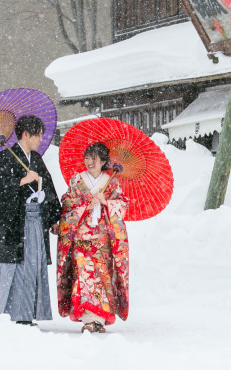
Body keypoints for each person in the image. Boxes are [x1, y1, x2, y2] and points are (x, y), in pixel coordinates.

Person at [0, 115, 61, 326]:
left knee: (34, 265)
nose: (40, 139)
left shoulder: (35, 159)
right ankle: (13, 315)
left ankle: (28, 313)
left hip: (36, 221)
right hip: (16, 223)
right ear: (26, 134)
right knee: (18, 267)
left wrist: (54, 217)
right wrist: (20, 181)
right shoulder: (6, 158)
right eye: (38, 135)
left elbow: (49, 188)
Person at [56, 142, 130, 333]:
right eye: (87, 157)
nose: (89, 161)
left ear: (104, 161)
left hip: (103, 237)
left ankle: (100, 320)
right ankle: (88, 319)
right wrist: (84, 205)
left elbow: (121, 206)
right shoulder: (77, 180)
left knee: (103, 278)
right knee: (84, 277)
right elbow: (67, 202)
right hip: (81, 236)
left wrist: (106, 201)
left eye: (94, 158)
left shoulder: (111, 181)